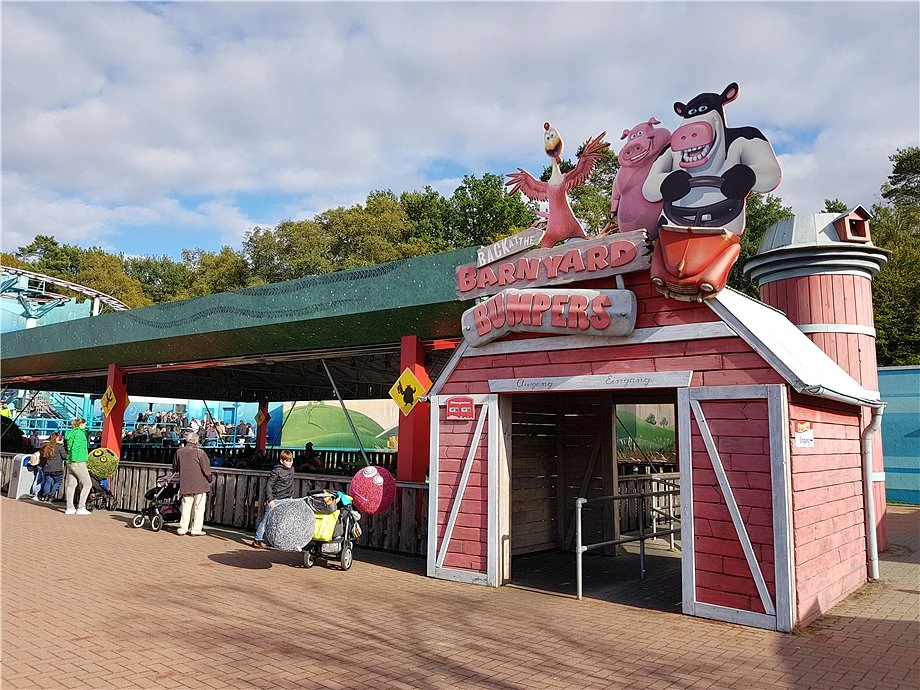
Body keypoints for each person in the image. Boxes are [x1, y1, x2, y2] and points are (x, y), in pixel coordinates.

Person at [250, 450, 296, 548]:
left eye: (291, 460)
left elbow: (290, 484)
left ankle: (278, 540)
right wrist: (270, 499)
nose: (289, 462)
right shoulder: (276, 471)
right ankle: (257, 540)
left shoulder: (292, 469)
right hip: (276, 499)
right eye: (287, 461)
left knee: (284, 520)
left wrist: (291, 497)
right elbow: (269, 485)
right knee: (267, 519)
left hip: (287, 498)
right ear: (281, 461)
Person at [171, 433, 214, 536]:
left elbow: (175, 467)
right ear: (196, 441)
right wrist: (210, 480)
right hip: (200, 484)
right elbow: (207, 470)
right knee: (199, 508)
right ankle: (196, 529)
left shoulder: (179, 452)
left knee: (186, 506)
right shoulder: (200, 452)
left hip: (185, 483)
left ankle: (183, 528)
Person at [63, 418, 92, 515]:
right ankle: (81, 507)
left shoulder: (71, 433)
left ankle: (70, 507)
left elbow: (70, 447)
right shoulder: (80, 434)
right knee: (87, 484)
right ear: (81, 424)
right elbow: (76, 447)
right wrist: (75, 460)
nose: (85, 426)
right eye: (84, 424)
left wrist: (71, 460)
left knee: (71, 485)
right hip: (78, 461)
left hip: (70, 460)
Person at [40, 431, 67, 501]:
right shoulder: (59, 447)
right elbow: (65, 456)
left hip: (47, 467)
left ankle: (45, 495)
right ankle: (52, 495)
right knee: (57, 482)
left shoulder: (47, 445)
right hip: (57, 468)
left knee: (47, 482)